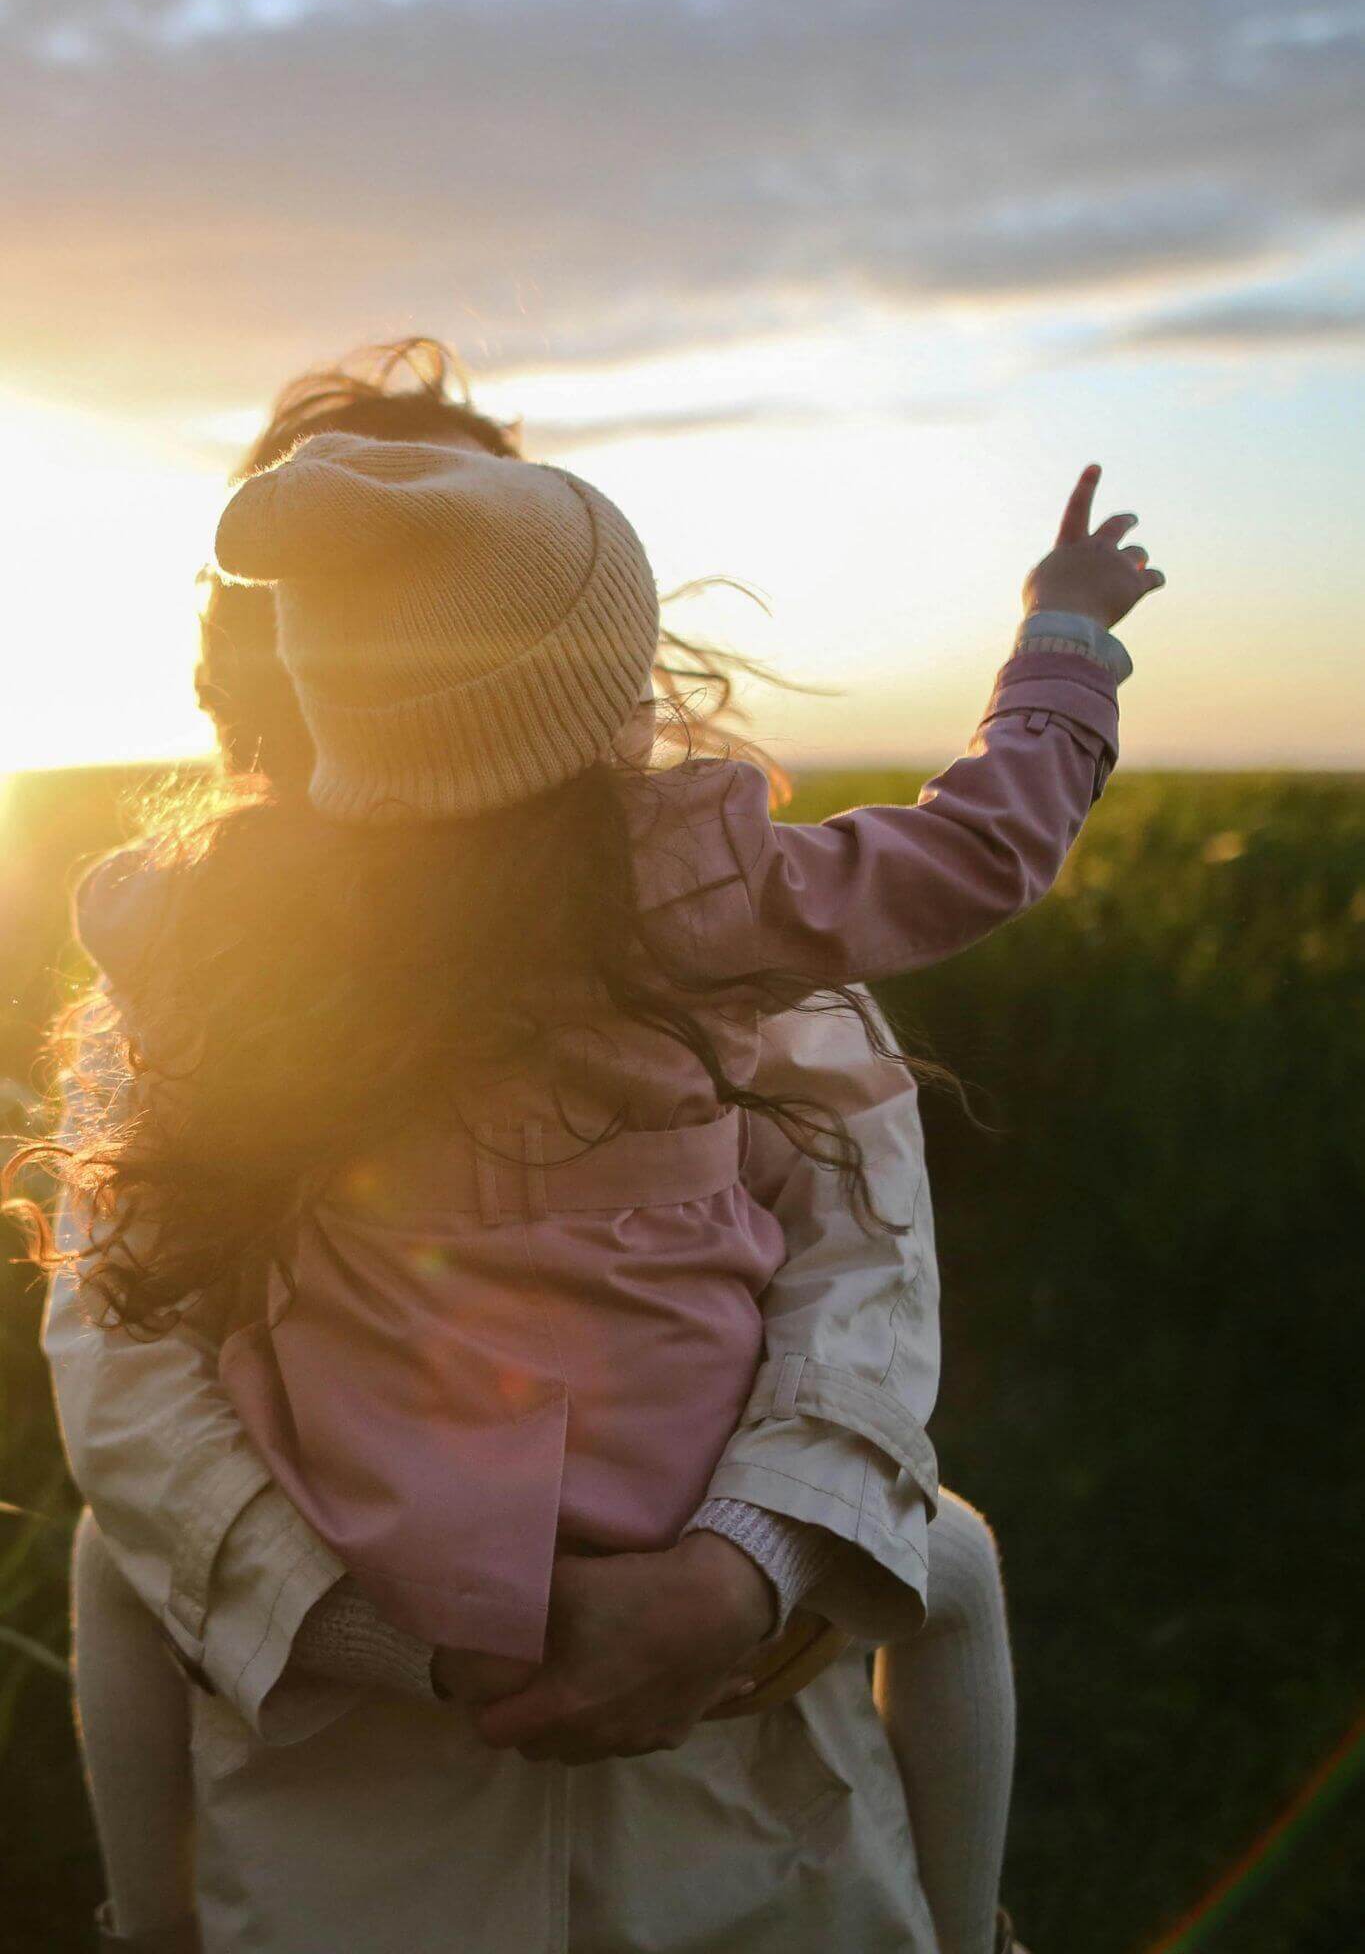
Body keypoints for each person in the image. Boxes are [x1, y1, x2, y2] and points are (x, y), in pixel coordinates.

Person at [23, 341, 1162, 1953]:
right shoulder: (711, 903)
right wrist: (1061, 649)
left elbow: (861, 1276)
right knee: (951, 1557)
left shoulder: (213, 939)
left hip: (742, 1797)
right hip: (349, 1804)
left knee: (111, 1578)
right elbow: (127, 1371)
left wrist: (733, 1580)